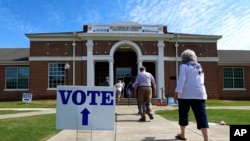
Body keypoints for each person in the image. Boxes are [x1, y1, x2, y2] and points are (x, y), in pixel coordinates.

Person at [174, 49, 209, 141]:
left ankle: (183, 134)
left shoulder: (183, 66)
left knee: (183, 114)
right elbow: (201, 80)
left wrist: (177, 92)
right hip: (199, 93)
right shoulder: (200, 66)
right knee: (201, 115)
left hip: (185, 94)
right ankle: (206, 138)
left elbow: (182, 80)